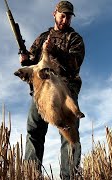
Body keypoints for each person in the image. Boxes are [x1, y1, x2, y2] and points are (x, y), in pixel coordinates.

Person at [19, 1, 85, 179]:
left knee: (70, 134)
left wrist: (53, 49)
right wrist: (25, 60)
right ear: (54, 14)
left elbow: (75, 64)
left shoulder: (75, 39)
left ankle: (70, 176)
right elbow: (32, 65)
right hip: (41, 92)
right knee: (34, 132)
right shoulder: (41, 38)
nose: (65, 20)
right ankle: (31, 175)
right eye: (62, 15)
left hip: (65, 91)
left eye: (68, 17)